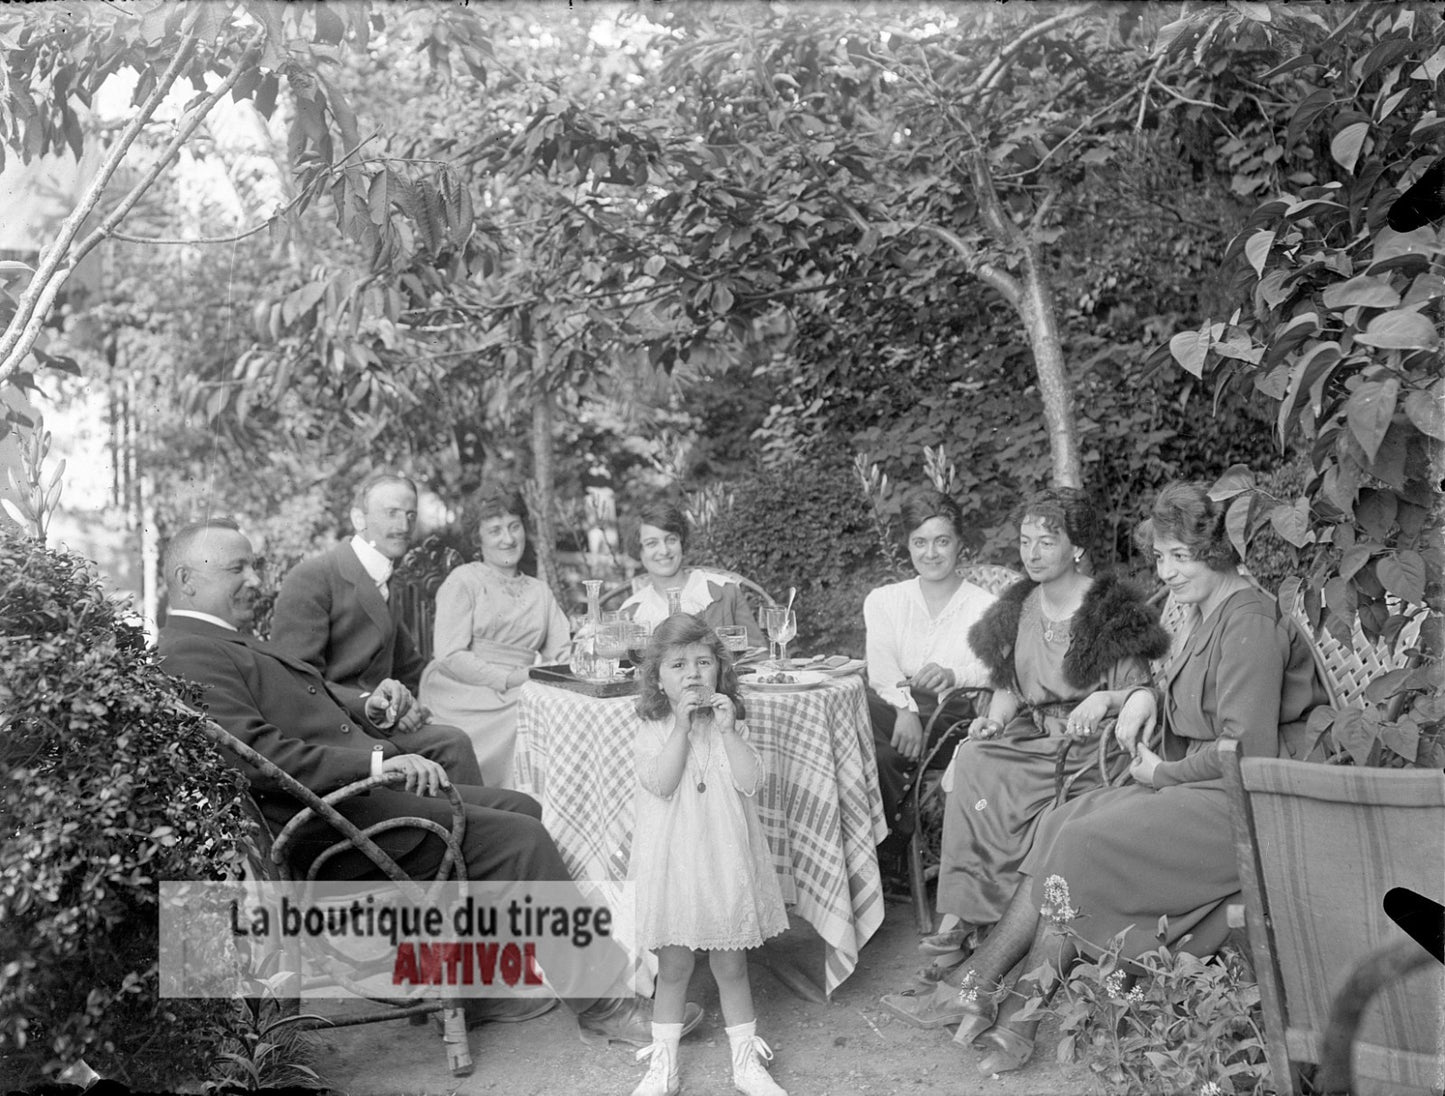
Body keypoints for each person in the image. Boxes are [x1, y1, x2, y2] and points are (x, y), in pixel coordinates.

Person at [158, 518, 701, 1044]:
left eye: (252, 566)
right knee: (522, 841)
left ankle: (478, 985)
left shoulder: (222, 638)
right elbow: (257, 755)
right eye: (238, 569)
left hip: (350, 803)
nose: (254, 579)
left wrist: (366, 703)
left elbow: (307, 695)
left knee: (521, 807)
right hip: (331, 826)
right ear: (189, 579)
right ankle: (603, 1005)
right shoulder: (190, 651)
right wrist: (376, 762)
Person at [885, 482, 1328, 1075]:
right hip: (1201, 785)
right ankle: (986, 984)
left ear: (1219, 550)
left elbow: (1242, 751)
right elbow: (1185, 695)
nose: (1167, 573)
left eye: (1180, 556)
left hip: (1244, 806)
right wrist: (1135, 695)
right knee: (1061, 822)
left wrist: (1162, 770)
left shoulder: (1246, 622)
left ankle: (1013, 1003)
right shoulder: (1210, 609)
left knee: (1083, 841)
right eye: (1161, 557)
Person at [903, 488, 1168, 985]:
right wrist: (995, 721)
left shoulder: (1108, 607)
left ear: (1077, 548)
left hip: (1091, 744)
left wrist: (1105, 699)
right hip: (1034, 733)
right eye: (1026, 542)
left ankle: (1001, 927)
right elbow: (1009, 685)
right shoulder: (1022, 606)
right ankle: (964, 917)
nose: (1032, 553)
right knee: (978, 756)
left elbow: (1139, 690)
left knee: (1008, 780)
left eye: (1046, 542)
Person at [628, 614, 790, 1096]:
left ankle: (745, 1063)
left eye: (703, 662)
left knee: (731, 964)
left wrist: (729, 732)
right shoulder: (654, 726)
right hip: (673, 864)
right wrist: (681, 727)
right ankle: (665, 1066)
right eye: (678, 665)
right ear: (659, 678)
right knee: (674, 966)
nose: (693, 674)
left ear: (720, 671)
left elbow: (751, 781)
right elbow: (661, 782)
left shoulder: (729, 723)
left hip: (724, 861)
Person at [271, 472, 481, 784]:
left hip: (379, 720)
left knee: (474, 724)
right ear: (359, 518)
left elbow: (409, 666)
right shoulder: (314, 576)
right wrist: (376, 704)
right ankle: (471, 827)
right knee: (453, 743)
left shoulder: (384, 576)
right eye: (391, 513)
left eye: (410, 514)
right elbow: (298, 683)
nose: (404, 525)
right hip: (334, 731)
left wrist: (413, 703)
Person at [862, 487, 996, 855]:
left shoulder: (985, 606)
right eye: (920, 542)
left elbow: (993, 672)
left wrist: (953, 675)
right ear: (907, 545)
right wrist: (905, 709)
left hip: (947, 716)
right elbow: (882, 666)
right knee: (878, 747)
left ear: (959, 544)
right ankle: (892, 854)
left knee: (864, 738)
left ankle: (882, 857)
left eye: (942, 541)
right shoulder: (885, 601)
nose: (931, 553)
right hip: (891, 709)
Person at [419, 486, 572, 787]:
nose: (509, 538)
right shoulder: (465, 580)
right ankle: (518, 804)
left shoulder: (538, 590)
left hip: (520, 686)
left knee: (562, 707)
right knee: (536, 708)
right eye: (495, 530)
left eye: (514, 527)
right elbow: (450, 655)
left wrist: (579, 661)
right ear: (479, 539)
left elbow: (563, 652)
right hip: (464, 690)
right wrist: (509, 679)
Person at [618, 501, 765, 648]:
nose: (664, 551)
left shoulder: (724, 590)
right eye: (651, 543)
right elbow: (624, 668)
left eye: (671, 540)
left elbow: (758, 654)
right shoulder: (631, 612)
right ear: (639, 550)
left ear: (682, 542)